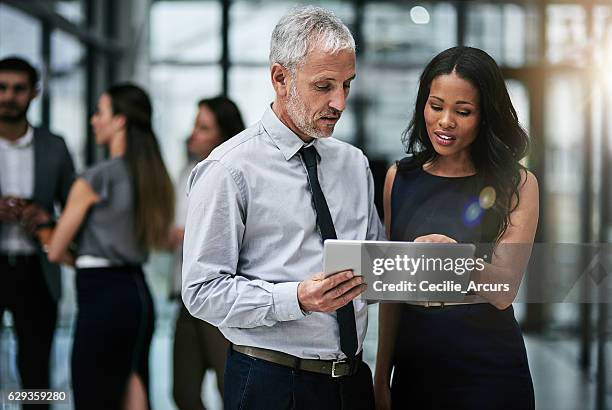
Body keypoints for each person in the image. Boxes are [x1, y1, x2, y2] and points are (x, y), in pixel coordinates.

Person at [182, 6, 384, 410]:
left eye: (347, 84)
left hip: (352, 381)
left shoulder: (353, 164)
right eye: (324, 86)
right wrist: (297, 298)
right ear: (280, 78)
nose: (339, 102)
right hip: (271, 383)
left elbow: (371, 271)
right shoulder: (228, 169)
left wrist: (421, 258)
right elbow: (201, 291)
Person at [373, 46, 539, 410]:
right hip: (416, 368)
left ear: (485, 116)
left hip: (490, 372)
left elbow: (503, 289)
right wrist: (381, 374)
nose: (445, 121)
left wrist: (454, 258)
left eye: (462, 111)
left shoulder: (518, 184)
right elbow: (392, 290)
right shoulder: (398, 178)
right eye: (436, 106)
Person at [46, 83, 174, 410]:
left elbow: (56, 250)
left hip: (101, 297)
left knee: (92, 396)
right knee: (134, 389)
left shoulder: (95, 178)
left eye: (99, 112)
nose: (93, 120)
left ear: (120, 120)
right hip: (137, 297)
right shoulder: (151, 176)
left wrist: (41, 227)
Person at [0, 56, 75, 410]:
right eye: (2, 88)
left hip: (37, 271)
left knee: (36, 371)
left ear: (34, 93)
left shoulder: (54, 146)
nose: (8, 96)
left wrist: (44, 217)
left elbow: (75, 212)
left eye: (18, 89)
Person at [171, 96, 245, 410]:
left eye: (203, 127)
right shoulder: (188, 172)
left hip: (223, 297)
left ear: (223, 134)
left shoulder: (236, 173)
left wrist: (191, 236)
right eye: (195, 126)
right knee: (183, 391)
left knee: (228, 387)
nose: (193, 134)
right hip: (186, 297)